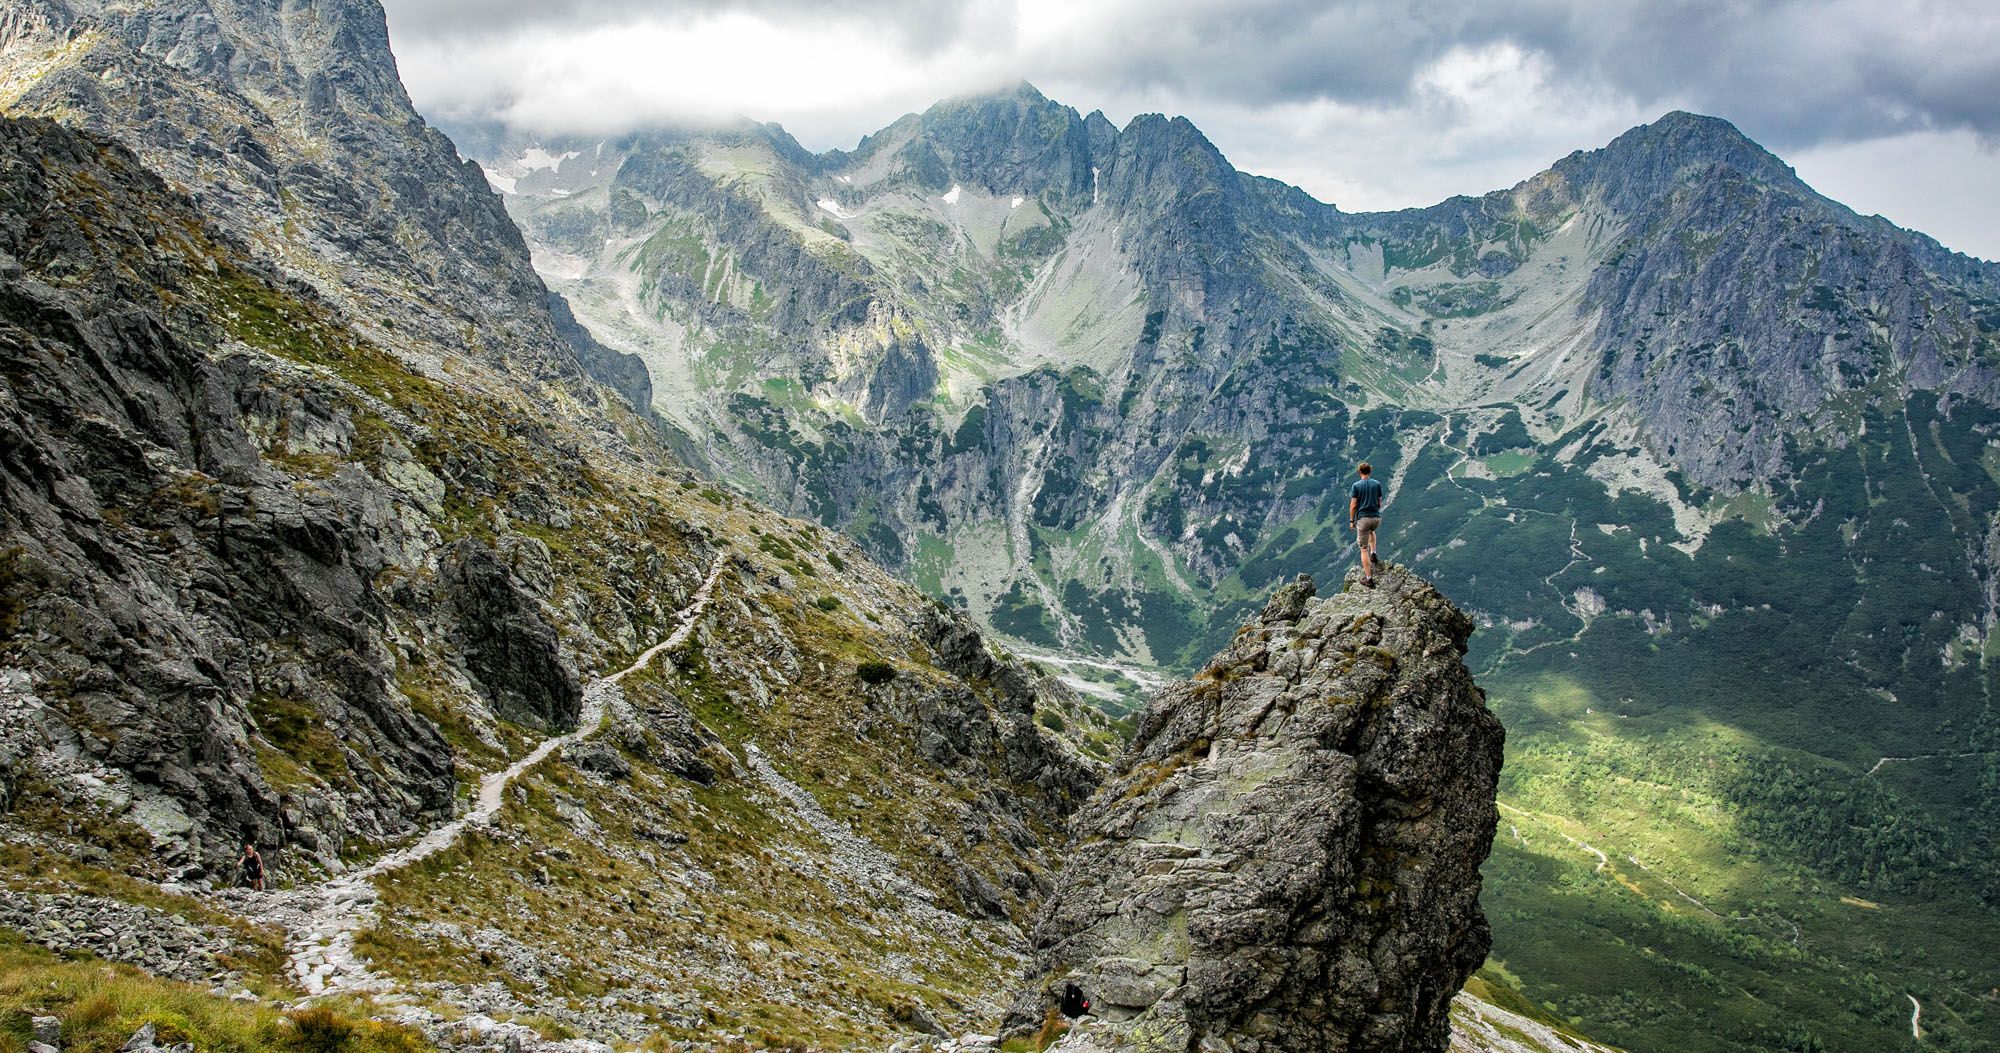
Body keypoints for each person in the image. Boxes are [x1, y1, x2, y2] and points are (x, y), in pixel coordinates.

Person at [1348, 462, 1385, 587]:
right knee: (1371, 531)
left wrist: (1352, 521)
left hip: (1363, 519)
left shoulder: (1356, 486)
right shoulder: (1377, 484)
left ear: (1360, 472)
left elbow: (1353, 505)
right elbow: (1380, 502)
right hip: (1376, 519)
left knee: (1363, 549)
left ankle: (1368, 578)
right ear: (1370, 471)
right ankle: (1373, 553)